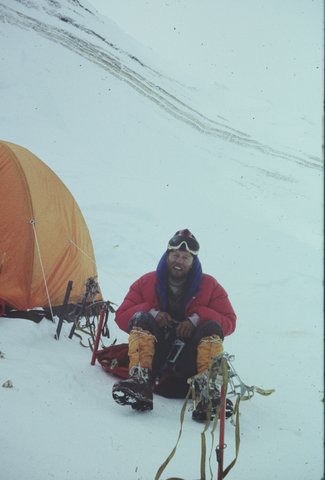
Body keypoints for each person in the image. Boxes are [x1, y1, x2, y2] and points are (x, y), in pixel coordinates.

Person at [112, 229, 237, 421]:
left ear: (193, 261)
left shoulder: (211, 286)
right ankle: (140, 381)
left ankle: (208, 393)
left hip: (189, 361)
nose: (179, 261)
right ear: (167, 255)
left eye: (185, 257)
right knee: (141, 318)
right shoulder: (146, 282)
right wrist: (153, 313)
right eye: (175, 255)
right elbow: (121, 316)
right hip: (156, 356)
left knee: (211, 327)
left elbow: (229, 322)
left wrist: (196, 319)